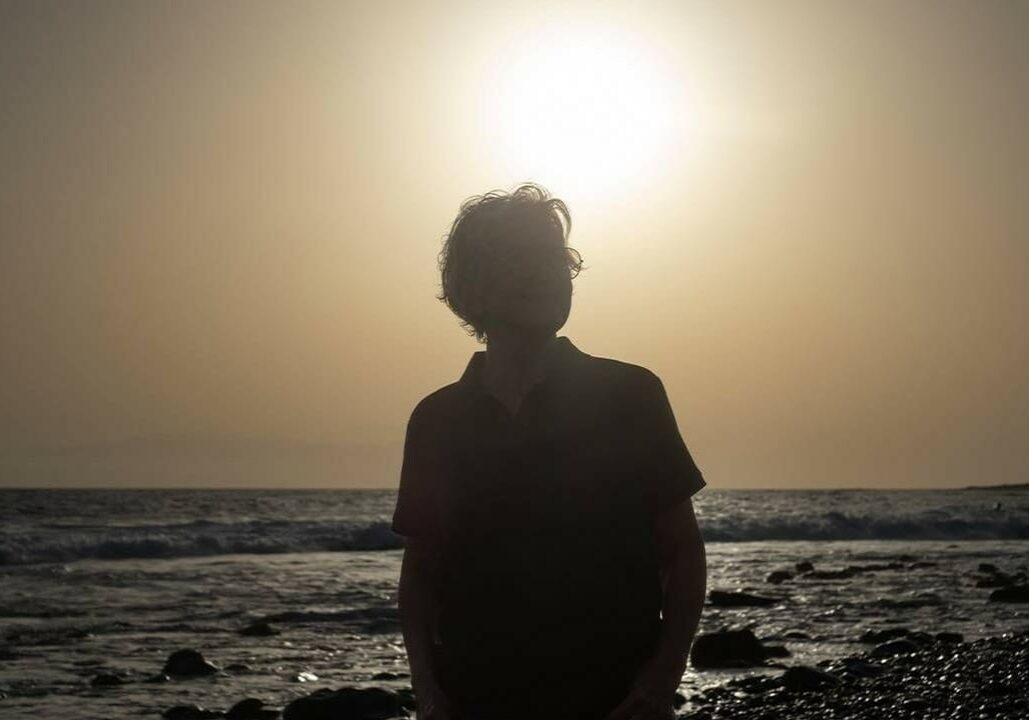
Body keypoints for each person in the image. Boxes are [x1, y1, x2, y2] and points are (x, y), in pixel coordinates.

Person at [392, 183, 707, 720]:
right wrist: (427, 692)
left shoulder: (629, 395)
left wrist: (660, 683)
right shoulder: (437, 420)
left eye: (555, 260)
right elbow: (420, 572)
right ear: (475, 287)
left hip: (614, 700)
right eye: (522, 259)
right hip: (478, 699)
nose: (547, 274)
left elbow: (681, 550)